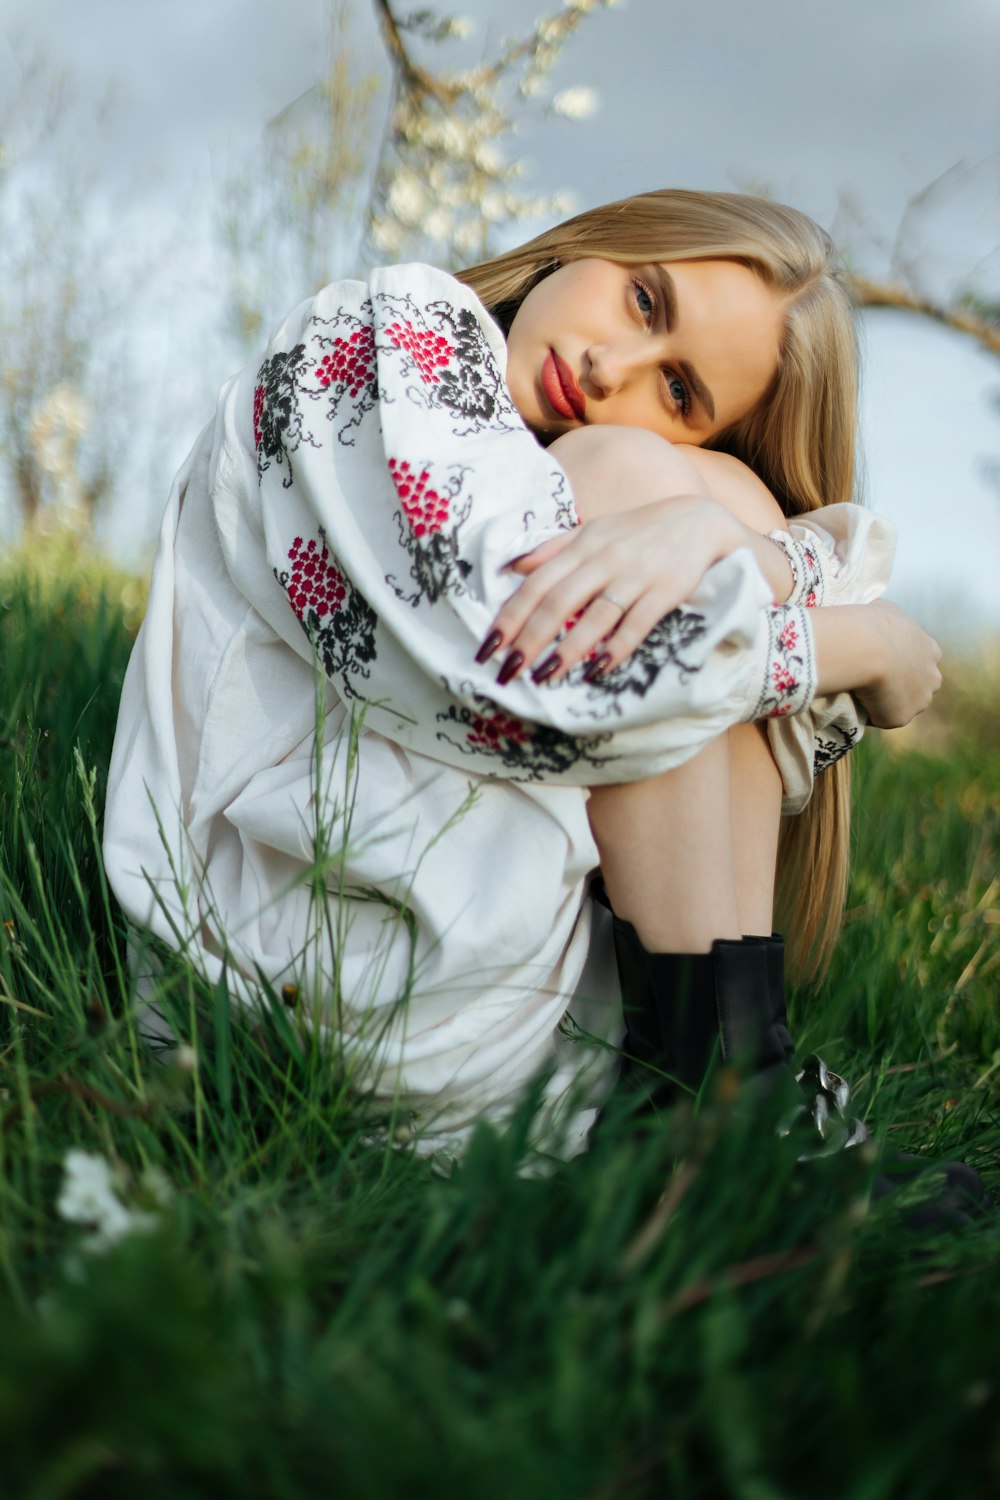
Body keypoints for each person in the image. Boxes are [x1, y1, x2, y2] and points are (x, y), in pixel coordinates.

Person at [103, 189, 940, 1159]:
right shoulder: (389, 328)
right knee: (647, 507)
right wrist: (855, 642)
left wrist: (737, 539)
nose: (608, 367)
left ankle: (720, 1095)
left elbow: (726, 660)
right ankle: (722, 1113)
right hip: (280, 982)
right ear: (598, 243)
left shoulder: (571, 470)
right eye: (644, 302)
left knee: (717, 504)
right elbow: (536, 682)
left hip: (498, 1027)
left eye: (678, 395)